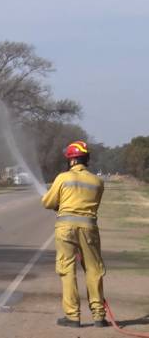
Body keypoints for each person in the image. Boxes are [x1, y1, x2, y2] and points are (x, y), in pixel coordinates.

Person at [41, 140, 107, 328]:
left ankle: (73, 316)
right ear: (85, 159)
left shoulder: (63, 178)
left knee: (67, 269)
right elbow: (93, 205)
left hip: (66, 229)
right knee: (94, 270)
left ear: (71, 160)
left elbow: (48, 202)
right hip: (89, 229)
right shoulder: (98, 181)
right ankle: (99, 316)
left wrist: (60, 205)